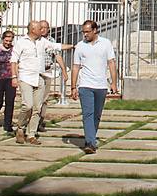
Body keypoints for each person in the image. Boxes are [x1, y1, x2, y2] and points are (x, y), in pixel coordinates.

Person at [71, 18, 118, 154]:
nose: (85, 34)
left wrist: (114, 83)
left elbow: (111, 63)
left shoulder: (106, 44)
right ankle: (90, 143)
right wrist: (73, 86)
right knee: (88, 114)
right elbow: (75, 67)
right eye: (83, 32)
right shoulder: (80, 46)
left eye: (87, 32)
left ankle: (90, 137)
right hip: (85, 85)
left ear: (95, 30)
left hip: (101, 85)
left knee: (96, 115)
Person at [11, 20, 51, 144]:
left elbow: (56, 47)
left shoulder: (42, 41)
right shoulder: (21, 42)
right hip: (25, 78)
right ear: (33, 30)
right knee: (27, 105)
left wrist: (74, 46)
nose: (42, 30)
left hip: (39, 78)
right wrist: (14, 76)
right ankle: (20, 127)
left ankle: (31, 134)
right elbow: (14, 61)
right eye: (40, 28)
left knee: (37, 108)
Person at [34, 19, 63, 134]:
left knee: (44, 99)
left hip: (47, 71)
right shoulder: (35, 40)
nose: (43, 30)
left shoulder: (51, 41)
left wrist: (64, 71)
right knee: (34, 99)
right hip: (36, 72)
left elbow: (57, 55)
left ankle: (40, 122)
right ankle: (32, 123)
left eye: (46, 27)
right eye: (41, 27)